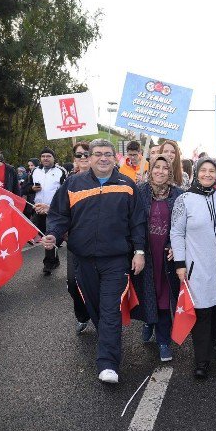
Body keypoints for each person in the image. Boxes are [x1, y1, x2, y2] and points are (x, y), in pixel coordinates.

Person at [42, 139, 146, 384]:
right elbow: (59, 216)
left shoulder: (127, 185)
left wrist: (139, 251)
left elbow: (137, 222)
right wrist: (53, 235)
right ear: (89, 158)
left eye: (108, 154)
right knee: (96, 307)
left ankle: (108, 363)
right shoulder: (73, 184)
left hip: (116, 260)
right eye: (97, 154)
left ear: (114, 158)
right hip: (83, 259)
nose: (103, 158)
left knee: (110, 309)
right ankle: (107, 338)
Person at [170, 157, 216, 379]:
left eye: (212, 171)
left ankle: (213, 342)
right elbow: (176, 233)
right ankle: (201, 359)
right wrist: (179, 263)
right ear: (197, 173)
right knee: (202, 312)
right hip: (196, 265)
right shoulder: (185, 199)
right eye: (203, 170)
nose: (208, 174)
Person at [133, 155, 183, 362]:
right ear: (150, 170)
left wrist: (176, 245)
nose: (160, 171)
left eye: (165, 168)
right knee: (148, 292)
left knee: (164, 296)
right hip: (146, 252)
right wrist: (138, 250)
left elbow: (182, 225)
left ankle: (163, 341)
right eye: (156, 167)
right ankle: (148, 322)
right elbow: (134, 222)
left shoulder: (179, 195)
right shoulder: (140, 192)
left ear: (170, 172)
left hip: (166, 255)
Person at [23, 147, 66, 275]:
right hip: (37, 209)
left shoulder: (61, 171)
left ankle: (48, 263)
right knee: (42, 235)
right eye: (43, 156)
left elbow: (65, 191)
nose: (45, 158)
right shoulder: (35, 171)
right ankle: (54, 258)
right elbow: (25, 187)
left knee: (50, 236)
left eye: (48, 156)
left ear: (54, 158)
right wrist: (32, 188)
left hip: (54, 211)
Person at [64, 142, 91, 335]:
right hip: (76, 242)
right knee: (74, 282)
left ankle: (102, 319)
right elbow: (61, 209)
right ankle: (82, 316)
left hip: (102, 243)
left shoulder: (107, 179)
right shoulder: (69, 181)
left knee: (98, 284)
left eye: (86, 154)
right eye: (79, 155)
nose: (83, 158)